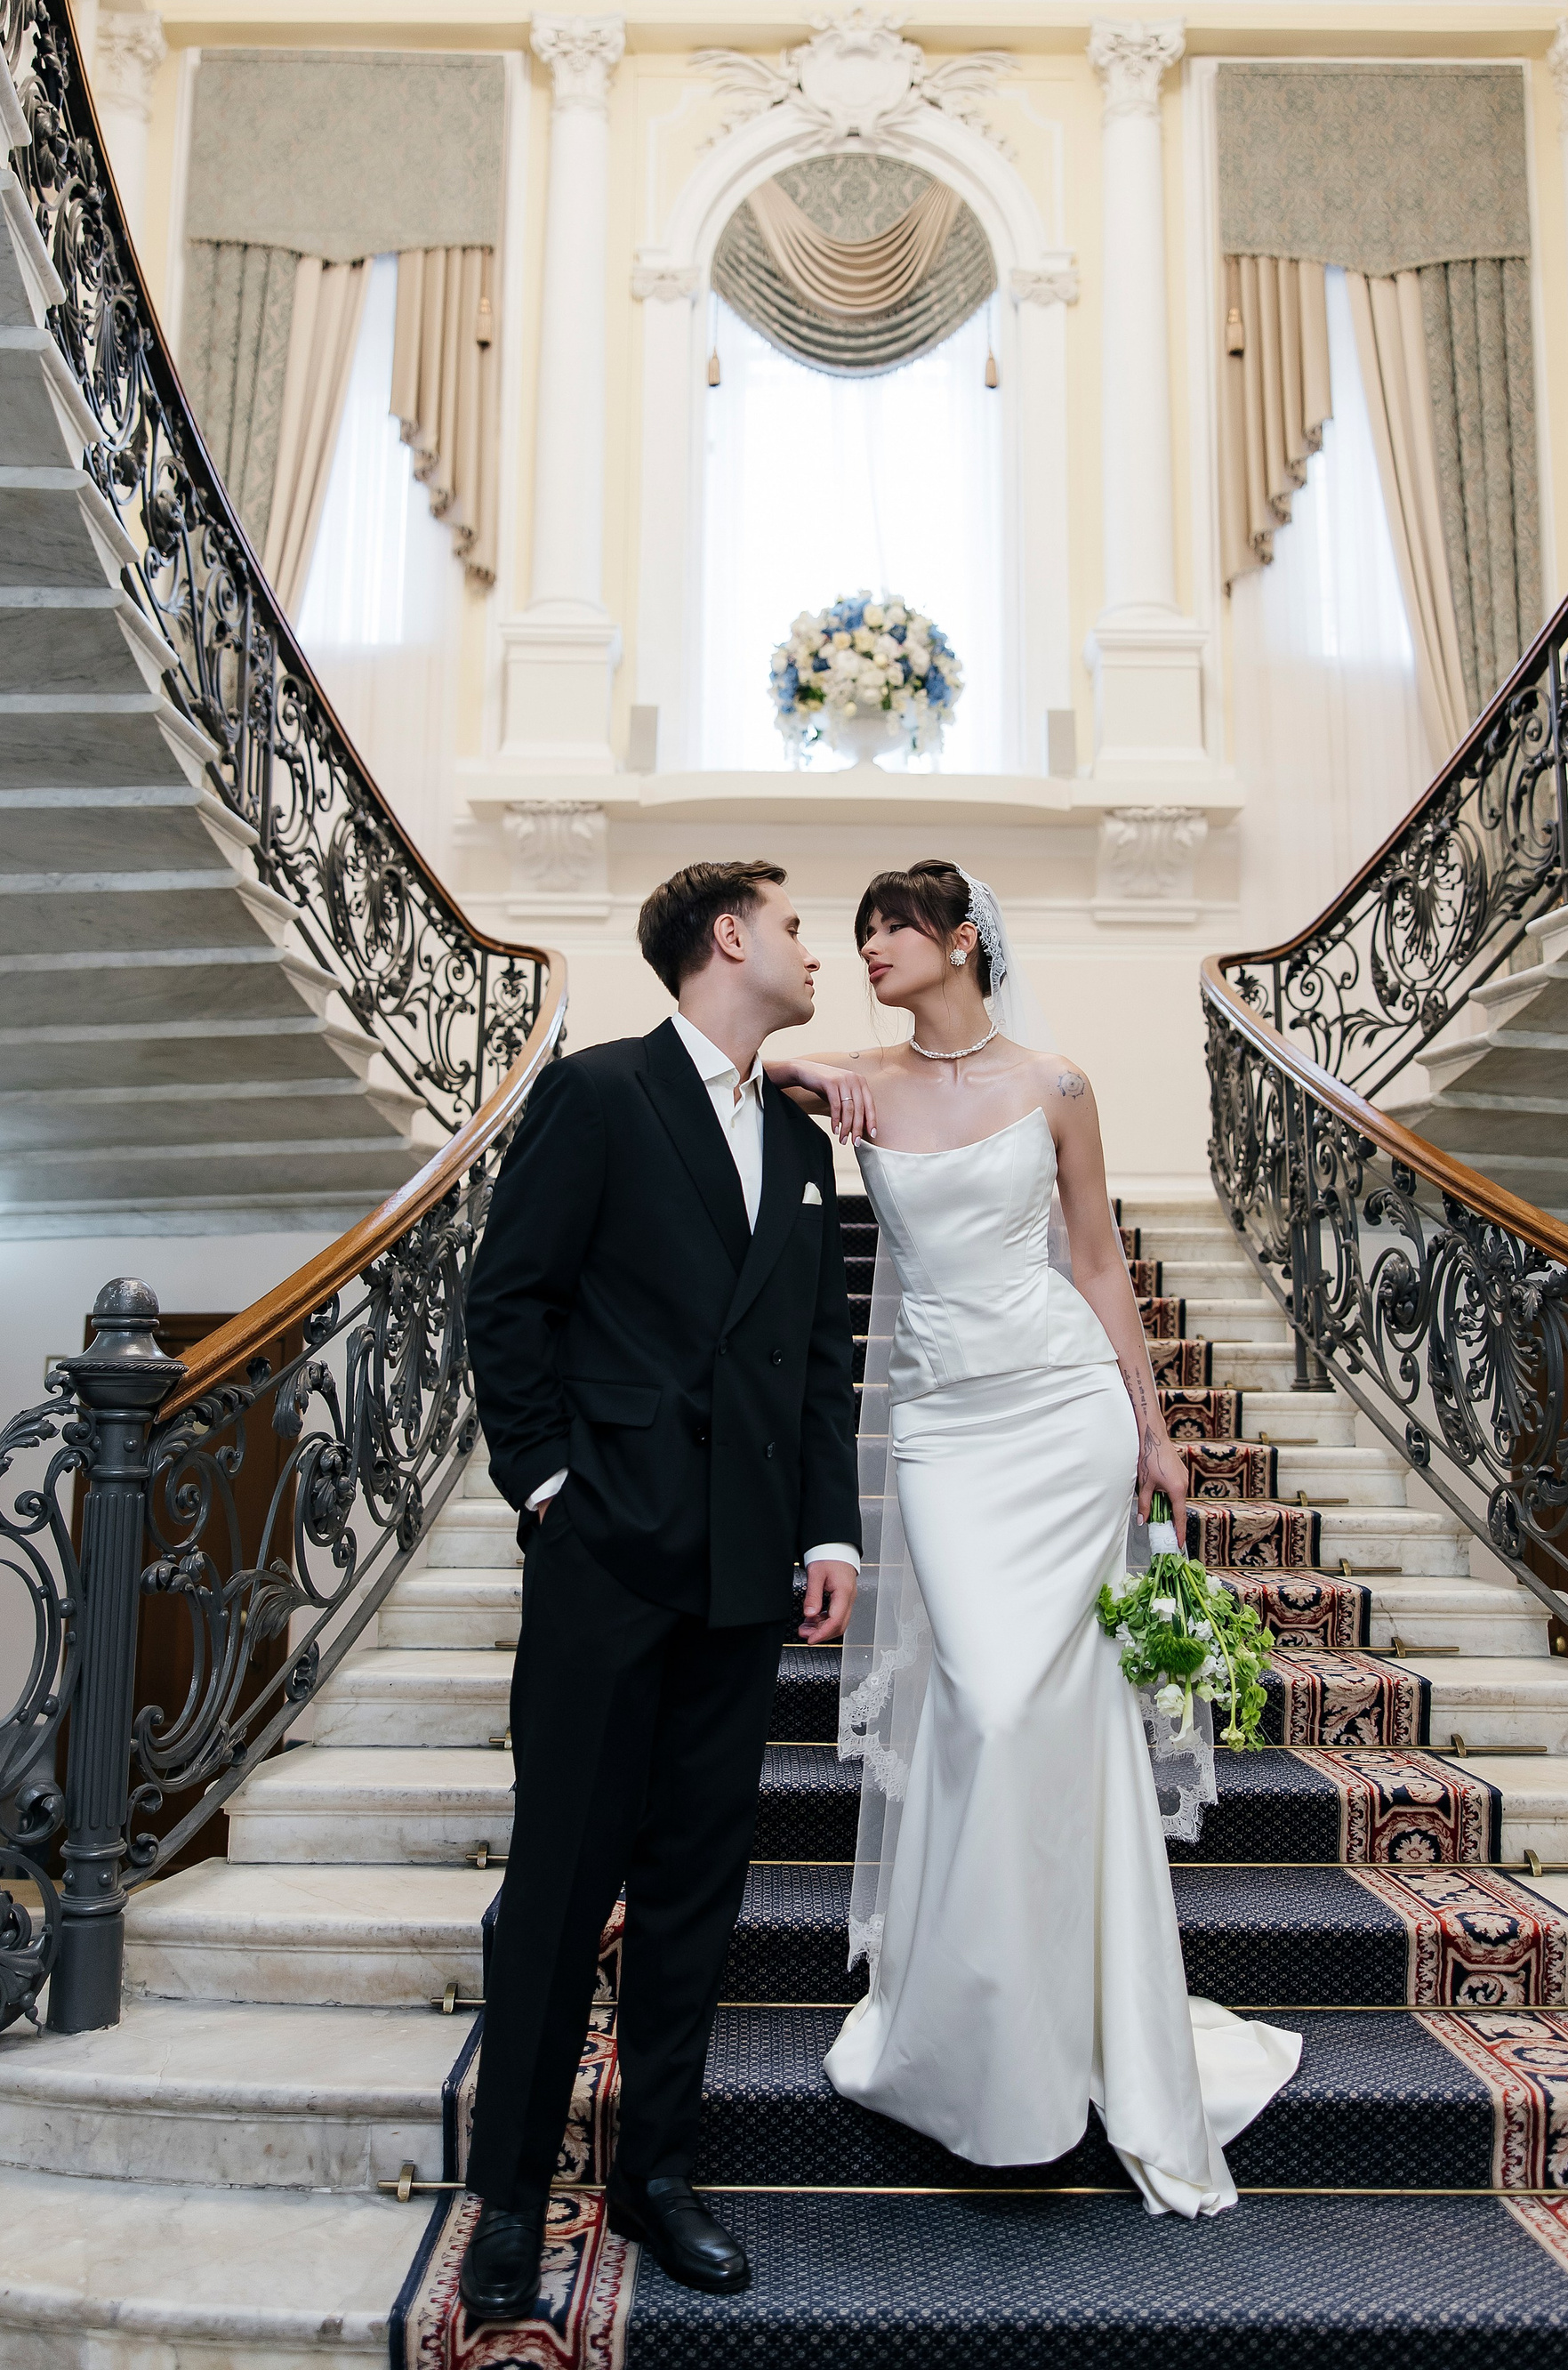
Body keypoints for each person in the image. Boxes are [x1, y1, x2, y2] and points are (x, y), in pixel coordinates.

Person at [768, 859, 1299, 2214]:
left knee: (1047, 1716)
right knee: (984, 1706)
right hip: (944, 1432)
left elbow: (1099, 1262)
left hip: (1065, 1413)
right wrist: (810, 1073)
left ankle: (1069, 2018)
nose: (868, 950)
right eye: (860, 931)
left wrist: (1154, 1428)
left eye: (890, 929)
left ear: (961, 941)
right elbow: (754, 1067)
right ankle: (969, 2023)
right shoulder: (861, 1080)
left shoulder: (1058, 1085)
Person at [456, 859, 862, 2324]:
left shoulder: (804, 1144)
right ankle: (512, 2200)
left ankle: (658, 2175)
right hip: (608, 1556)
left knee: (697, 1888)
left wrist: (831, 1535)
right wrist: (548, 1488)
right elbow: (509, 1300)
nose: (816, 950)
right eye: (796, 926)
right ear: (730, 938)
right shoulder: (599, 1092)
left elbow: (818, 1359)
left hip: (746, 1571)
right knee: (562, 1884)